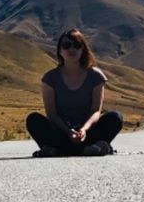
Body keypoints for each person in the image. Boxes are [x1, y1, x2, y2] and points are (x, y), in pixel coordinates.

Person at [27, 29, 123, 157]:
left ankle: (56, 150)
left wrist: (83, 130)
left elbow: (96, 111)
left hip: (88, 132)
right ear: (60, 51)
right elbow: (52, 113)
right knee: (33, 119)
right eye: (66, 45)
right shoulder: (50, 78)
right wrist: (68, 131)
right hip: (62, 132)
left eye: (77, 45)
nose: (72, 49)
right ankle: (94, 148)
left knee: (115, 117)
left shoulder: (96, 76)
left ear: (83, 49)